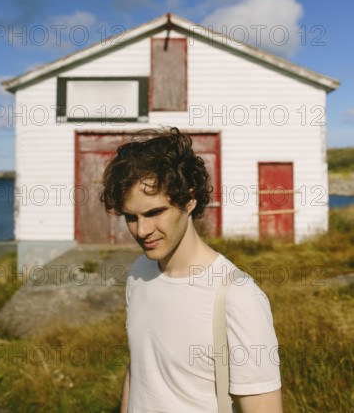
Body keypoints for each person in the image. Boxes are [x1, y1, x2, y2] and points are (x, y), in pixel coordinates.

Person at [100, 127, 283, 413]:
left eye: (154, 212)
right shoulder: (138, 273)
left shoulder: (237, 296)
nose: (142, 230)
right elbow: (139, 369)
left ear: (189, 199)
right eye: (131, 218)